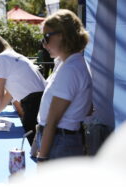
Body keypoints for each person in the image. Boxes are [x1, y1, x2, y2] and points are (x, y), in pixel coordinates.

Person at [36, 9, 92, 162]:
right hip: (62, 139)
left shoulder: (70, 69)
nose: (44, 44)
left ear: (62, 35)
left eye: (46, 37)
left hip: (60, 142)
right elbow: (88, 109)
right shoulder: (67, 63)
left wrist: (42, 158)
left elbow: (52, 121)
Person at [0, 34, 46, 144]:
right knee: (38, 139)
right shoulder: (13, 56)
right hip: (42, 99)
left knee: (32, 141)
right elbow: (9, 95)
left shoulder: (0, 58)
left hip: (33, 102)